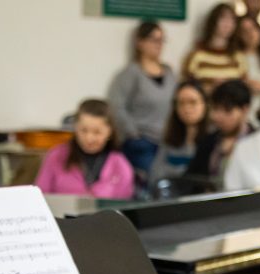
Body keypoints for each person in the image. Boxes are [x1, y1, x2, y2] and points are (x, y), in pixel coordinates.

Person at [108, 21, 177, 176]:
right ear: (140, 42)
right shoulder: (131, 73)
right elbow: (117, 106)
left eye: (162, 40)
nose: (159, 45)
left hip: (167, 142)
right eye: (154, 40)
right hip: (141, 142)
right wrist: (133, 134)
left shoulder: (169, 72)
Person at [35, 99, 133, 199]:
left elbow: (124, 208)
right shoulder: (56, 156)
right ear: (75, 127)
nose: (89, 138)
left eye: (97, 132)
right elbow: (40, 197)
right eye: (83, 130)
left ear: (109, 132)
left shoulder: (120, 166)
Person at [188, 79, 253, 181]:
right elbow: (192, 179)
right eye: (216, 109)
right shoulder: (208, 141)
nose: (218, 116)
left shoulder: (257, 141)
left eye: (227, 110)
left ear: (244, 110)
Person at [150, 81, 208, 183]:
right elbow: (155, 175)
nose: (186, 108)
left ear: (205, 104)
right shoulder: (169, 138)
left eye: (193, 102)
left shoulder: (213, 139)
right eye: (181, 103)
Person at [183, 3, 247, 93]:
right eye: (223, 18)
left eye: (232, 20)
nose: (228, 24)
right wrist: (211, 86)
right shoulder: (197, 55)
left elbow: (243, 87)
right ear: (214, 21)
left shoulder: (238, 57)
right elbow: (187, 88)